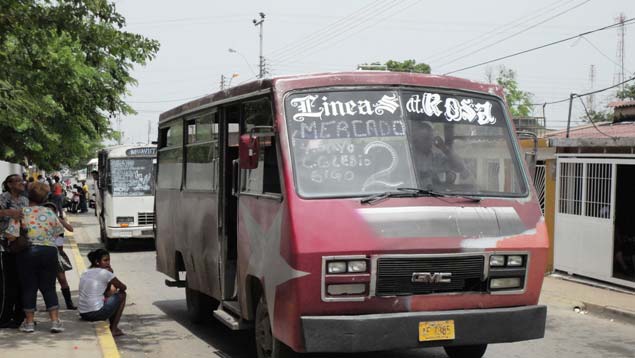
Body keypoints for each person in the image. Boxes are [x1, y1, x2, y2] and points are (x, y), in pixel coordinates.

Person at [14, 181, 65, 333]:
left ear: (28, 195)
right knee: (49, 287)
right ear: (45, 197)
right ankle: (55, 322)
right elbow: (59, 233)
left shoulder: (22, 212)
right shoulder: (50, 213)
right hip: (49, 252)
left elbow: (12, 234)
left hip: (27, 252)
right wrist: (58, 249)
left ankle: (29, 324)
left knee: (29, 288)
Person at [0, 174, 27, 328]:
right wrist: (9, 213)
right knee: (7, 284)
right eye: (17, 181)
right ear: (9, 185)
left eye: (21, 180)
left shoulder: (23, 199)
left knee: (21, 282)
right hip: (5, 245)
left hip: (20, 245)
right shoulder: (3, 198)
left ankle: (19, 317)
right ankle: (4, 317)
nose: (21, 183)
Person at [79, 249, 127, 337]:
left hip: (83, 313)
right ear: (97, 262)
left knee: (111, 293)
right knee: (122, 295)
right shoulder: (105, 273)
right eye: (105, 260)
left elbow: (106, 291)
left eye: (109, 260)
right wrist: (111, 273)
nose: (108, 263)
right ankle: (114, 328)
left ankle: (113, 327)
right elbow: (123, 287)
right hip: (95, 314)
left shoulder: (85, 272)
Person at [411, 121, 471, 188]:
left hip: (439, 196)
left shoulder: (438, 157)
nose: (430, 141)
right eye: (426, 138)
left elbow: (463, 170)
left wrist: (444, 149)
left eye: (432, 138)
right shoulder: (409, 159)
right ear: (415, 140)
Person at [42, 202, 76, 310]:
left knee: (62, 279)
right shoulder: (41, 224)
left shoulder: (58, 222)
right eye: (48, 211)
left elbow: (71, 229)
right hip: (45, 254)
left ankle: (69, 303)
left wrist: (59, 219)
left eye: (52, 211)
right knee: (48, 281)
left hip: (58, 254)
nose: (50, 213)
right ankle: (51, 305)